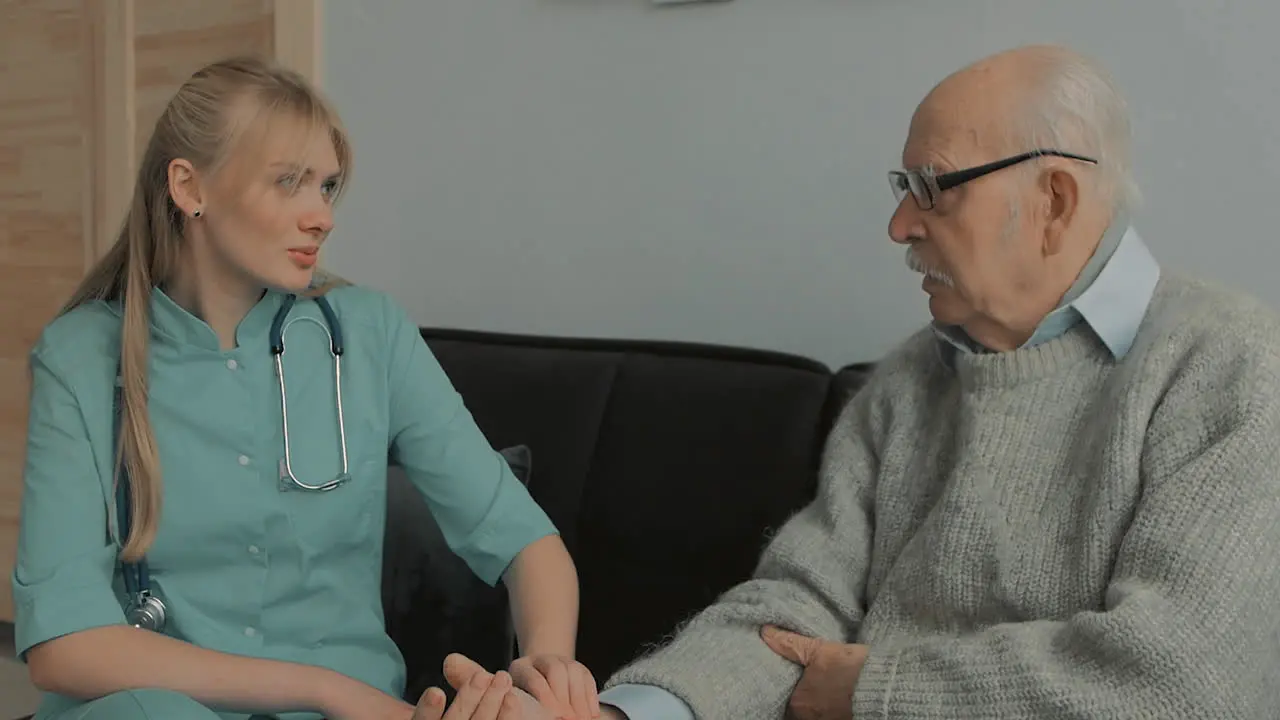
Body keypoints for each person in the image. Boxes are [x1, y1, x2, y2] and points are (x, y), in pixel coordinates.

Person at [469, 44, 1280, 719]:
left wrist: (877, 689)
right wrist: (622, 715)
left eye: (932, 186)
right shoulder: (907, 385)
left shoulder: (1229, 363)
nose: (900, 225)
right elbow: (791, 613)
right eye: (903, 190)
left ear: (1054, 201)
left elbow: (1184, 676)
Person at [12, 56, 602, 720]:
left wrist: (547, 674)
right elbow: (64, 646)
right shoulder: (83, 356)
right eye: (289, 182)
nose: (321, 216)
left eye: (326, 187)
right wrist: (327, 689)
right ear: (188, 186)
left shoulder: (372, 335)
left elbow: (525, 541)